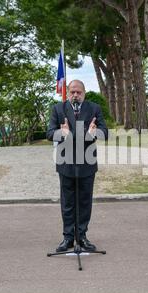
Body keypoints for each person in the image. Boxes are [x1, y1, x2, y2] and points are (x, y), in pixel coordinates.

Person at [46, 80, 108, 252]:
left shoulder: (94, 108)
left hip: (87, 165)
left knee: (84, 202)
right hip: (65, 164)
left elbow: (105, 133)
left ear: (84, 93)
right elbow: (50, 133)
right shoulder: (58, 109)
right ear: (68, 92)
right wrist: (62, 133)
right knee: (68, 203)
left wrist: (92, 133)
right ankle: (67, 238)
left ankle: (82, 237)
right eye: (72, 92)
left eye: (78, 92)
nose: (75, 95)